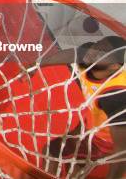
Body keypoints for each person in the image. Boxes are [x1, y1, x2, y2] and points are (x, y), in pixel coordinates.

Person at [30, 36, 125, 178]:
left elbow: (122, 150)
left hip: (105, 140)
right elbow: (72, 53)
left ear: (114, 66)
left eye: (103, 52)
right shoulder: (90, 57)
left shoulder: (115, 95)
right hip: (91, 123)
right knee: (60, 152)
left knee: (59, 155)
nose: (94, 50)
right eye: (97, 44)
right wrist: (38, 63)